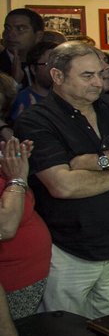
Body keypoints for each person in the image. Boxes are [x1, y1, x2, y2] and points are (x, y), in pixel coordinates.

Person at [15, 43, 109, 318]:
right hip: (70, 253)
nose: (98, 82)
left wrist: (94, 162)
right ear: (57, 76)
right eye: (87, 75)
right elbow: (63, 185)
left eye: (100, 73)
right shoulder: (36, 120)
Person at [0, 137, 51, 319]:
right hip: (10, 287)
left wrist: (11, 164)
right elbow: (5, 227)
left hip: (30, 279)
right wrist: (16, 178)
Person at [2, 8, 44, 87]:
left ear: (38, 36)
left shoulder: (45, 65)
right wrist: (14, 83)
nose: (10, 34)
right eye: (7, 28)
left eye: (20, 29)